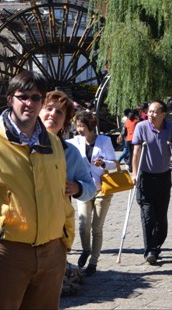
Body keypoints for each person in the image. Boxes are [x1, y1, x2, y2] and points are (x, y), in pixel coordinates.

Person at [0, 71, 75, 310]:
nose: (29, 103)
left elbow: (61, 194)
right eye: (23, 96)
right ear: (10, 99)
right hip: (3, 254)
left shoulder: (53, 143)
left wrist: (65, 237)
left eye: (36, 97)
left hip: (51, 254)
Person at [131, 100, 172, 265]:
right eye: (149, 111)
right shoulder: (141, 127)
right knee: (148, 215)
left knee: (161, 219)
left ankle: (155, 246)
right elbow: (136, 152)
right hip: (145, 177)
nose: (150, 114)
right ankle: (149, 251)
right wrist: (135, 174)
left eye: (155, 112)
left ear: (163, 115)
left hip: (163, 177)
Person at [70, 109, 118, 276]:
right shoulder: (75, 141)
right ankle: (85, 249)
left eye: (82, 126)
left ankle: (93, 263)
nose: (79, 129)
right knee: (83, 226)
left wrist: (103, 163)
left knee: (96, 228)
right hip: (83, 188)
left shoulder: (104, 141)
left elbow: (114, 163)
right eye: (77, 126)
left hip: (102, 189)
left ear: (90, 126)